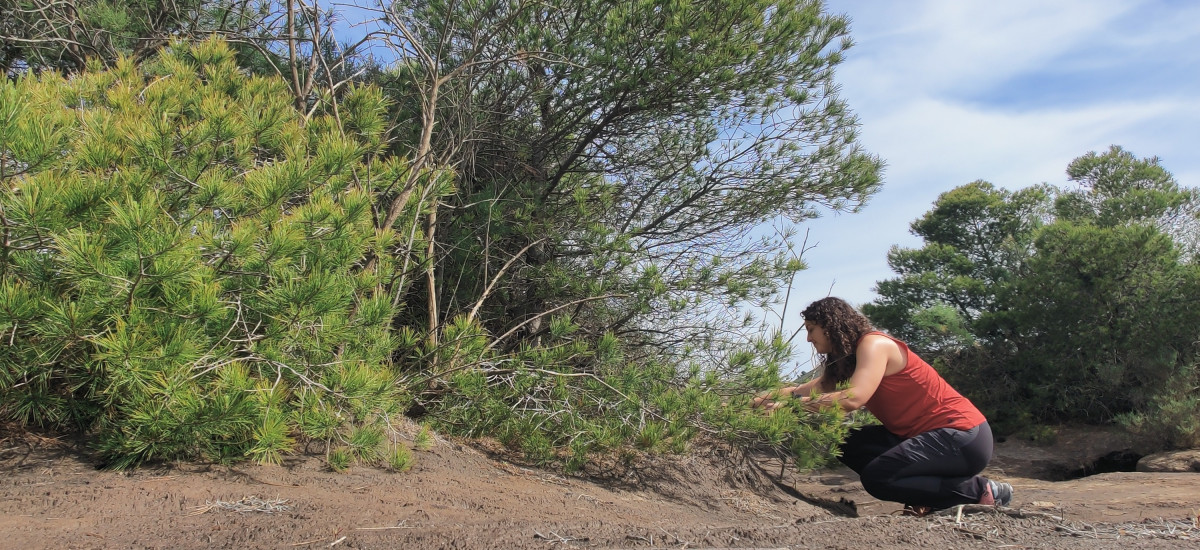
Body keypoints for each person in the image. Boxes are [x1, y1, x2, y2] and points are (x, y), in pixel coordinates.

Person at [753, 297, 1012, 515]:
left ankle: (980, 491)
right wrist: (766, 398)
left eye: (811, 329)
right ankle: (931, 497)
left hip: (962, 437)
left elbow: (853, 398)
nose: (808, 338)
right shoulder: (848, 358)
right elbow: (813, 389)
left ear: (830, 327)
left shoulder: (874, 344)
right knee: (844, 441)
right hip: (931, 438)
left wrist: (791, 408)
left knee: (878, 478)